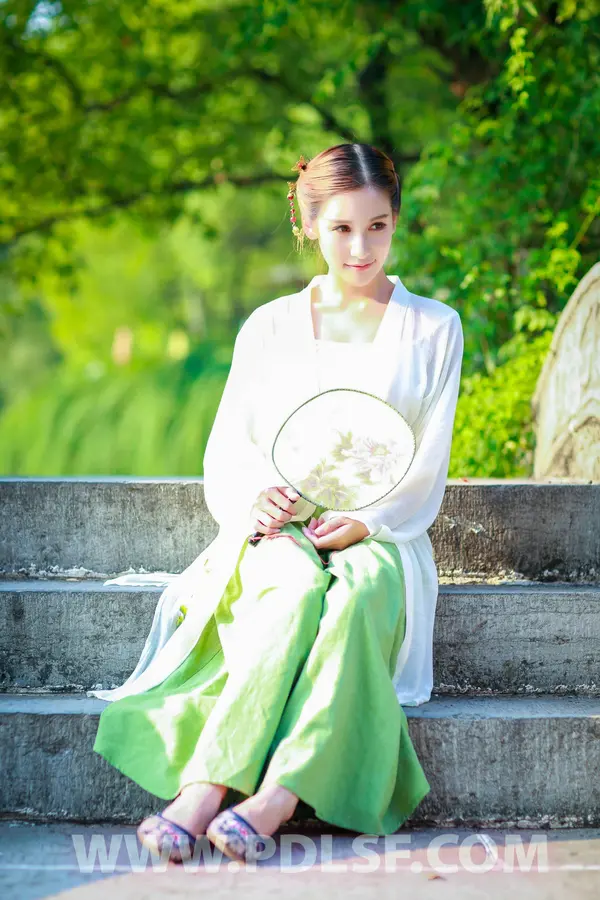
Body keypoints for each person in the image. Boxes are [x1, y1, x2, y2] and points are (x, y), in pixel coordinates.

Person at [90, 142, 464, 864]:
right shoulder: (269, 325)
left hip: (381, 529)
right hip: (279, 528)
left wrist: (369, 521)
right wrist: (254, 500)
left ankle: (275, 799)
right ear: (309, 223)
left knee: (357, 598)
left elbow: (428, 459)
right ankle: (205, 788)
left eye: (378, 227)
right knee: (291, 592)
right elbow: (233, 443)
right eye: (342, 228)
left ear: (396, 220)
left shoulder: (434, 327)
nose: (361, 249)